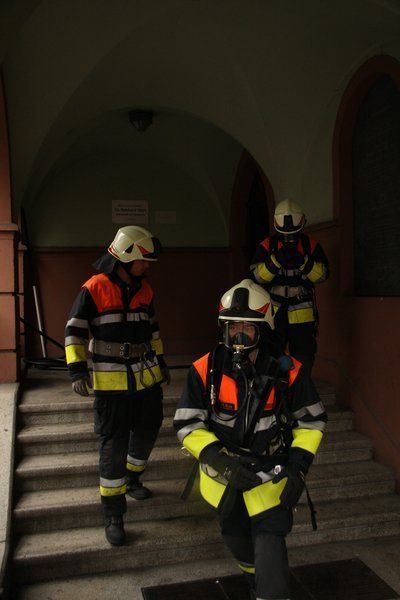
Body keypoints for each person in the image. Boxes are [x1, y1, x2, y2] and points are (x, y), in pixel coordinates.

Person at [174, 279, 326, 600]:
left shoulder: (290, 372)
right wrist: (219, 460)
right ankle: (254, 578)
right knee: (237, 540)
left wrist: (298, 467)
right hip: (225, 479)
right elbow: (188, 423)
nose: (239, 335)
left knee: (270, 552)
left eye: (247, 328)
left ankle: (269, 588)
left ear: (264, 331)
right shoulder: (204, 370)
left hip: (270, 479)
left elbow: (311, 422)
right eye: (233, 327)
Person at [65, 225, 170, 546]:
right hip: (111, 387)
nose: (147, 266)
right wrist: (77, 371)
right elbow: (74, 332)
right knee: (113, 446)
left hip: (146, 379)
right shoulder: (94, 288)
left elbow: (153, 331)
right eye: (143, 260)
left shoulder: (145, 289)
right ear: (126, 257)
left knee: (149, 428)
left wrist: (162, 364)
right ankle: (114, 514)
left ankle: (133, 478)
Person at [250, 199, 329, 374]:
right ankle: (274, 386)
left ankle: (301, 386)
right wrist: (275, 261)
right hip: (275, 312)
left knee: (304, 355)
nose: (289, 239)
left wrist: (304, 262)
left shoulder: (310, 245)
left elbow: (323, 275)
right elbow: (256, 276)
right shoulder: (267, 245)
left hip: (303, 313)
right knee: (271, 351)